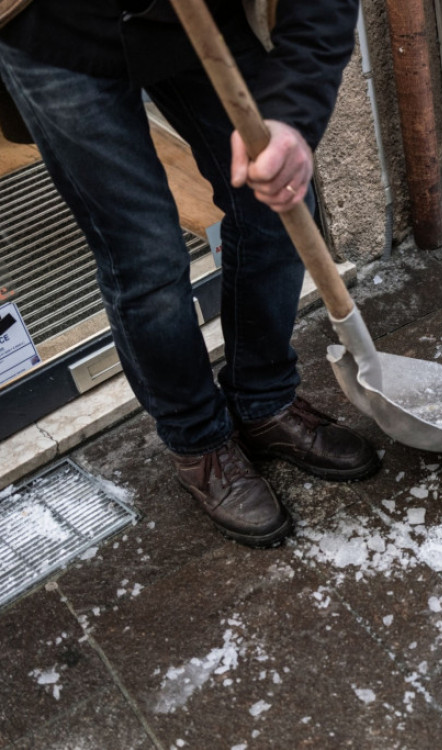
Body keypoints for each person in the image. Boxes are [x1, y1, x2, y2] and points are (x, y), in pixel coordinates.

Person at [0, 0, 380, 547]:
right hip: (53, 31)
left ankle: (263, 402)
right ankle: (199, 441)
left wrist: (292, 112)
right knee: (146, 257)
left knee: (274, 202)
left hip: (192, 17)